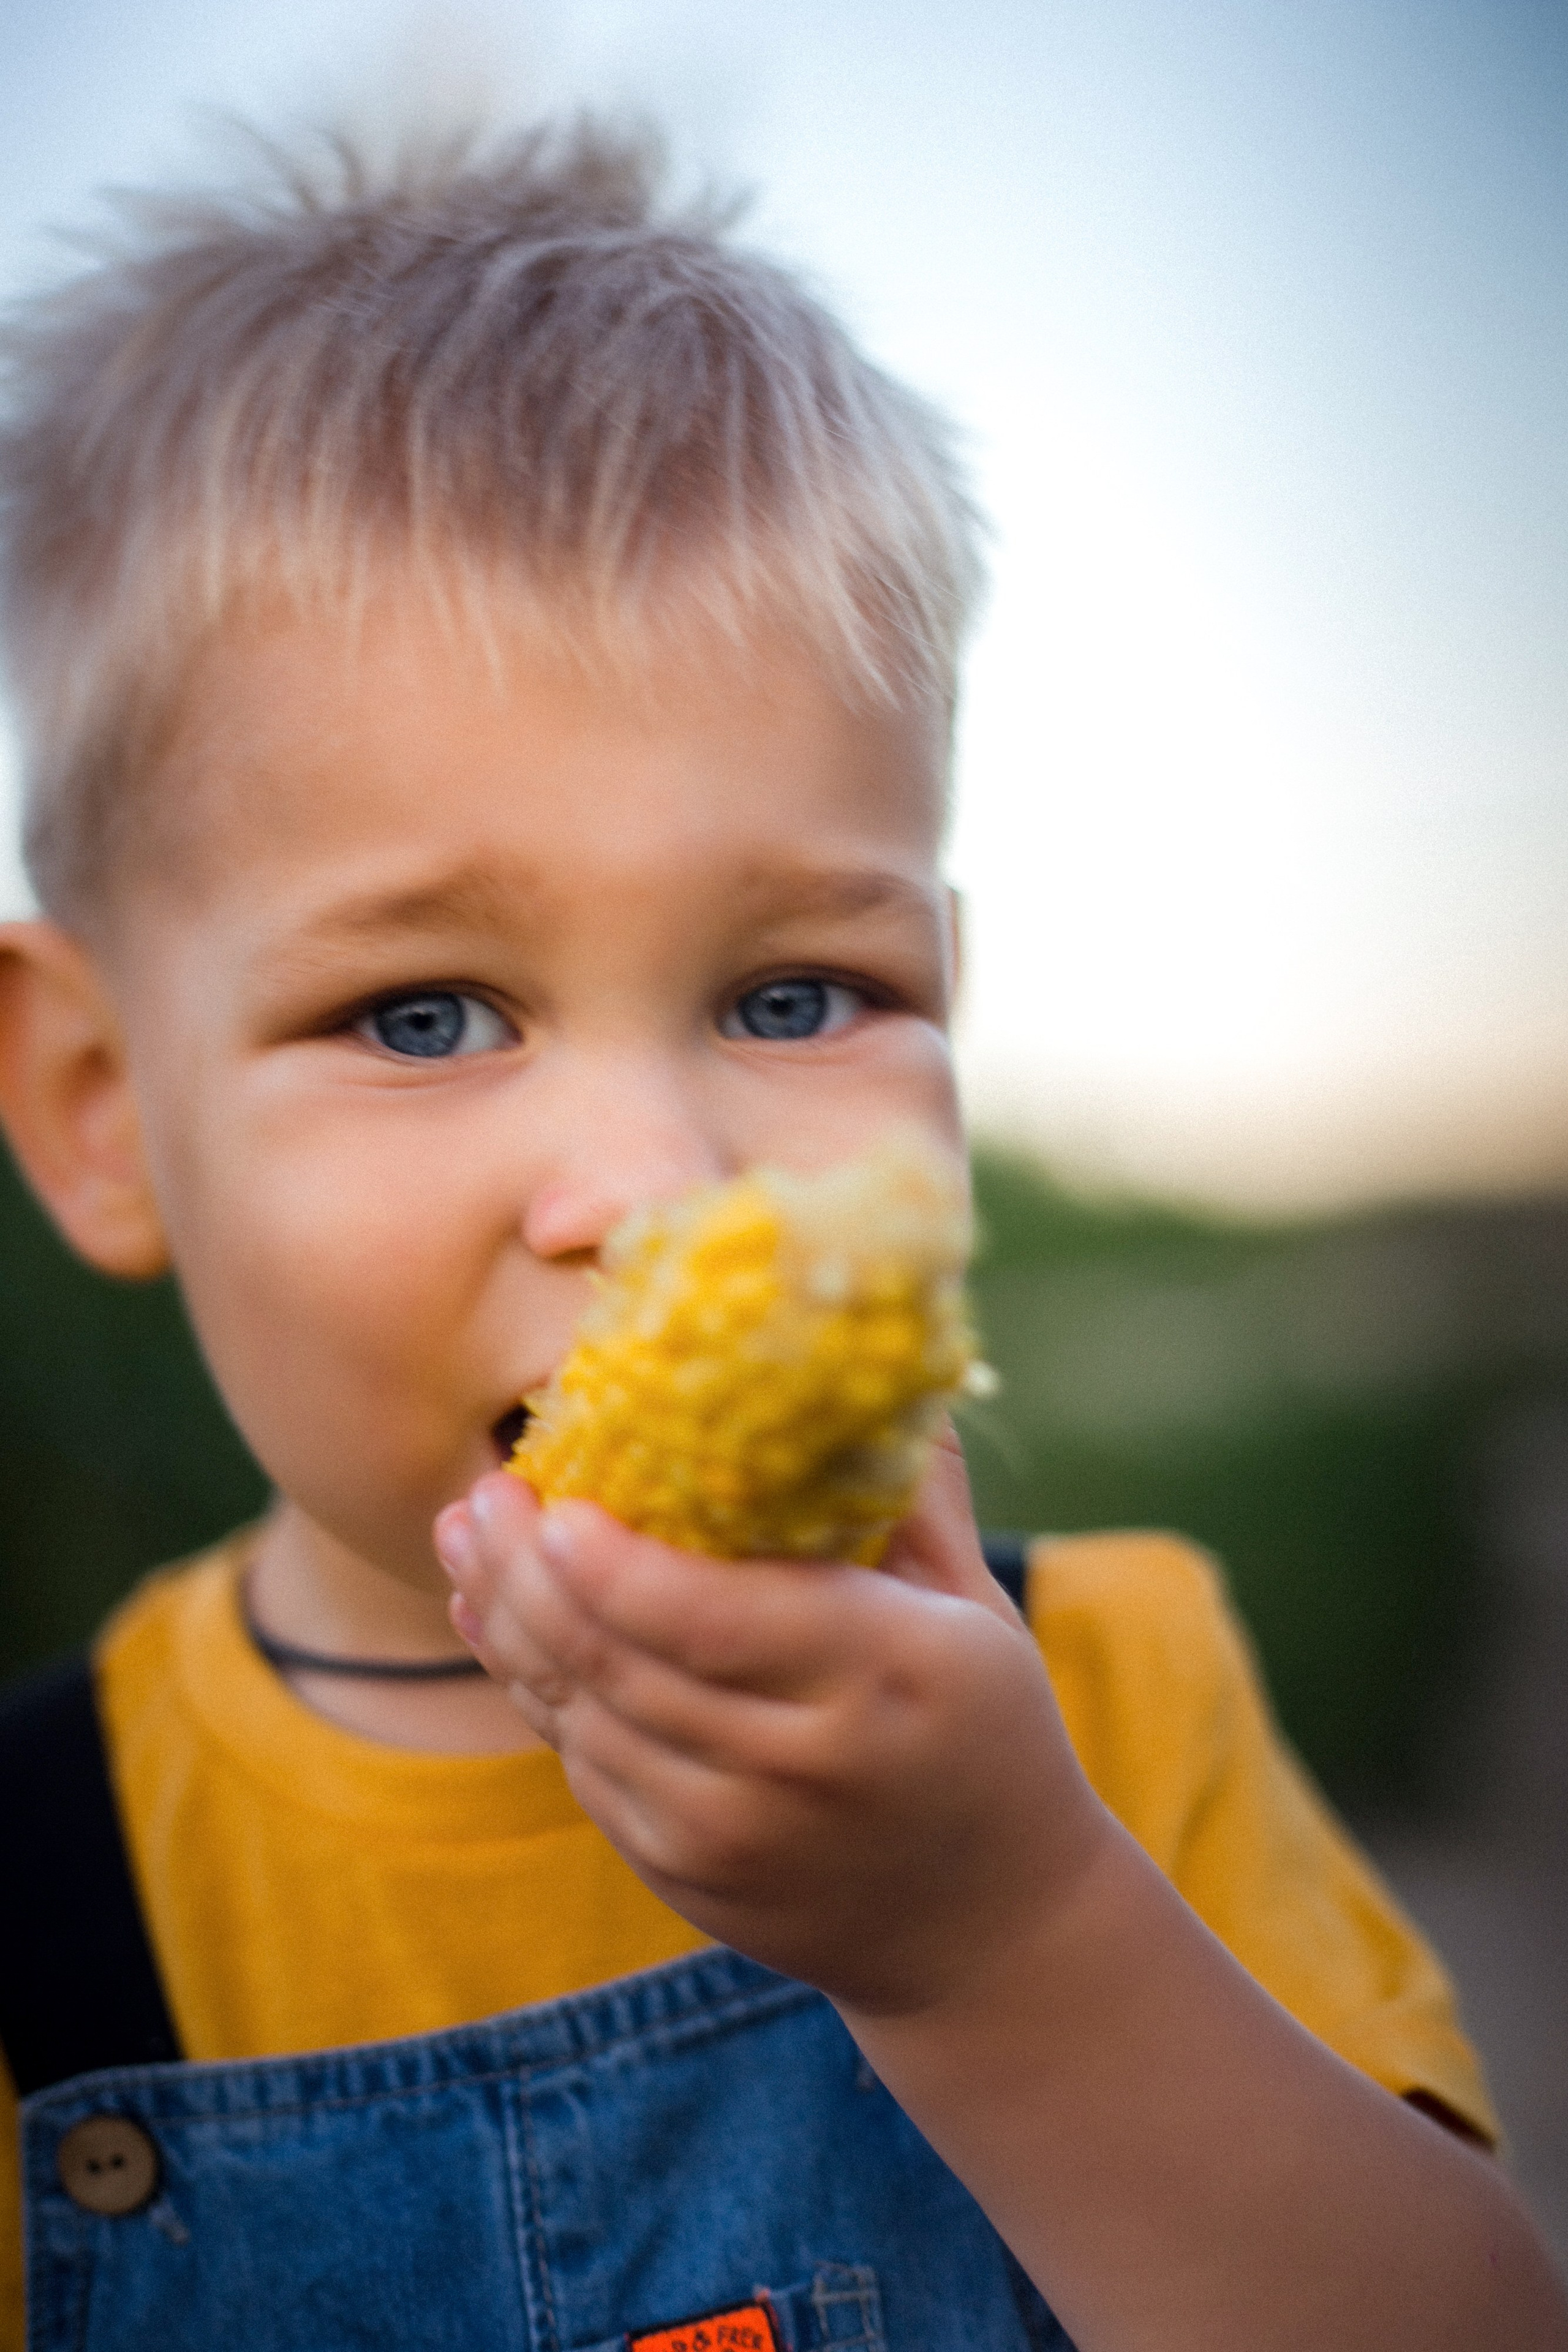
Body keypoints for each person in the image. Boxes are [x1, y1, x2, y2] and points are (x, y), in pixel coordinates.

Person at [0, 118, 1561, 2352]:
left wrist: (1012, 1945)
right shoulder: (43, 1888)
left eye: (795, 995)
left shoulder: (1112, 1695)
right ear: (99, 1112)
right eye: (423, 1014)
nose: (662, 1187)